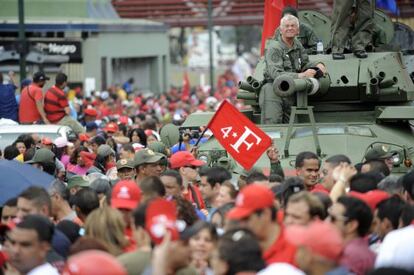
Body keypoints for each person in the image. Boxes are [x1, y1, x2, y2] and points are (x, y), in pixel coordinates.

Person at [259, 14, 326, 124]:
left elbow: (304, 64)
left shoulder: (297, 45)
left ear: (298, 30)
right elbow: (275, 74)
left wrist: (318, 65)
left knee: (292, 127)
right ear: (281, 30)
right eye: (286, 26)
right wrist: (300, 76)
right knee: (273, 125)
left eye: (293, 26)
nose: (290, 28)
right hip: (273, 90)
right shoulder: (274, 48)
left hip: (291, 91)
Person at [227, 184, 297, 265]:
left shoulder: (296, 247)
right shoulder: (239, 244)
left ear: (265, 214)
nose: (242, 225)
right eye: (239, 219)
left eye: (246, 219)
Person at [329, 196, 376, 275]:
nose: (326, 222)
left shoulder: (348, 256)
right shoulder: (368, 252)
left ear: (351, 225)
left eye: (333, 218)